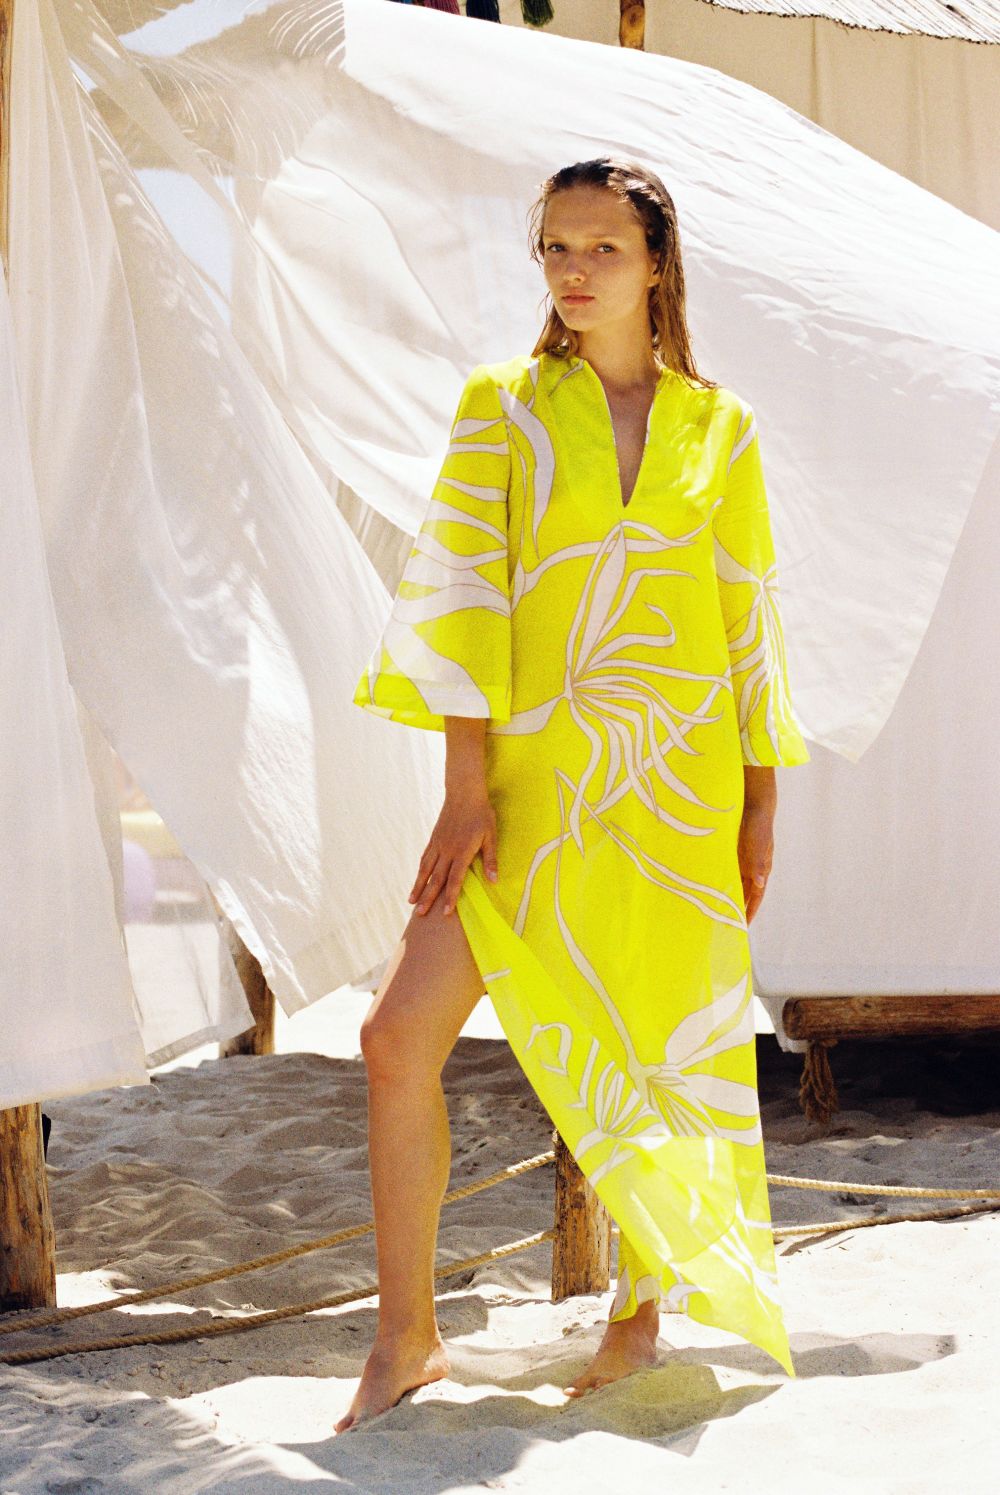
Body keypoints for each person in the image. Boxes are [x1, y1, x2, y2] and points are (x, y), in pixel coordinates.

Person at [343, 156, 810, 1433]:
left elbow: (744, 622)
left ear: (657, 264)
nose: (574, 270)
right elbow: (465, 602)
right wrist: (460, 788)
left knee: (661, 1055)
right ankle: (406, 1340)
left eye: (602, 248)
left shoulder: (724, 430)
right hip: (518, 794)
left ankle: (638, 1320)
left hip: (671, 791)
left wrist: (760, 800)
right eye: (555, 247)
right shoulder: (501, 405)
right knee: (395, 1042)